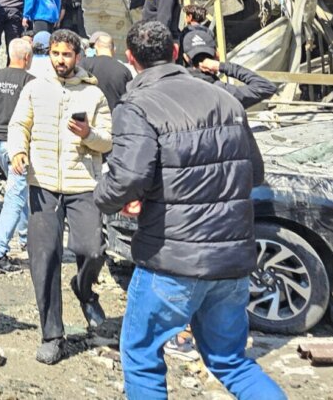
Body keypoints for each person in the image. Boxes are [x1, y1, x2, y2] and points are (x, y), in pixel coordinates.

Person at [94, 20, 284, 399]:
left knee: (142, 356)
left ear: (131, 60)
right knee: (231, 361)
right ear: (177, 53)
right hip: (231, 260)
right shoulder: (225, 99)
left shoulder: (137, 105)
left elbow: (127, 178)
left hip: (172, 258)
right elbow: (254, 172)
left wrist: (105, 198)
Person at [6, 28, 113, 365]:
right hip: (43, 183)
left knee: (93, 249)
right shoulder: (35, 88)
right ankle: (52, 334)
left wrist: (88, 134)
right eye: (56, 54)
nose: (61, 60)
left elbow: (108, 140)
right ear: (48, 54)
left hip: (83, 184)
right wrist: (18, 153)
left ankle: (83, 289)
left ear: (77, 56)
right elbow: (18, 125)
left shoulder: (93, 95)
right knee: (44, 258)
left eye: (67, 55)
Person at [0, 36, 35, 272]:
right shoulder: (30, 82)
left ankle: (26, 240)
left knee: (18, 191)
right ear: (28, 58)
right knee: (15, 196)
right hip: (17, 145)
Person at [180, 28, 277, 109]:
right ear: (217, 55)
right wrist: (222, 66)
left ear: (186, 57)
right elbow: (267, 87)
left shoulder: (173, 91)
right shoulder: (224, 92)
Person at [83, 31, 133, 109]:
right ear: (114, 49)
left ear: (96, 48)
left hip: (88, 117)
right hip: (114, 118)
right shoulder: (124, 70)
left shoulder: (84, 64)